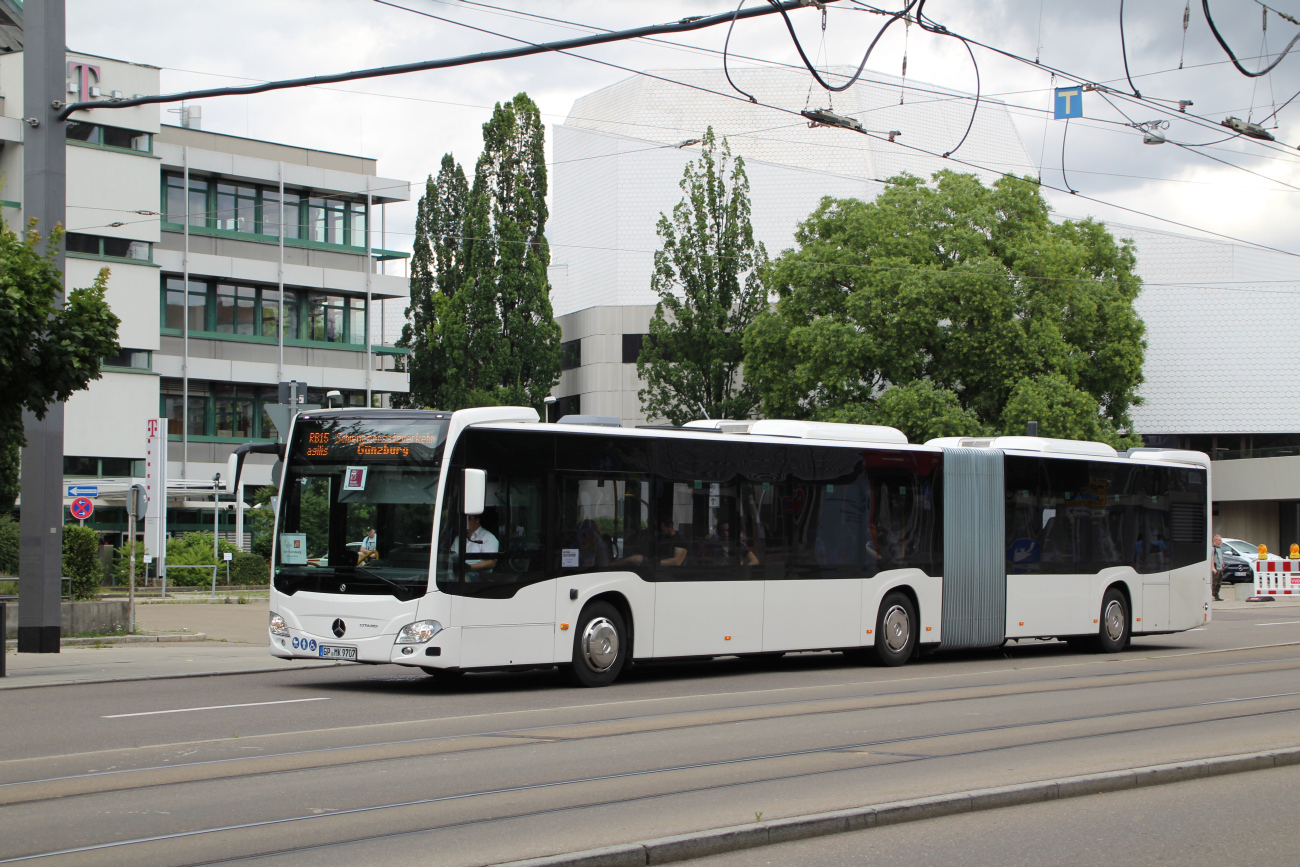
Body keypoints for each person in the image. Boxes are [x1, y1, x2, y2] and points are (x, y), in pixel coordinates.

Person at [1212, 533, 1224, 601]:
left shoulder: (1219, 548)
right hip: (1216, 567)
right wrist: (1213, 568)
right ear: (1216, 540)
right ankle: (1212, 594)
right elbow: (1212, 558)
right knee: (1214, 582)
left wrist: (1222, 563)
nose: (1221, 541)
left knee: (1219, 582)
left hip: (1220, 567)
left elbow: (1220, 557)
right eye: (1220, 540)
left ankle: (1216, 595)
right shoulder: (1213, 548)